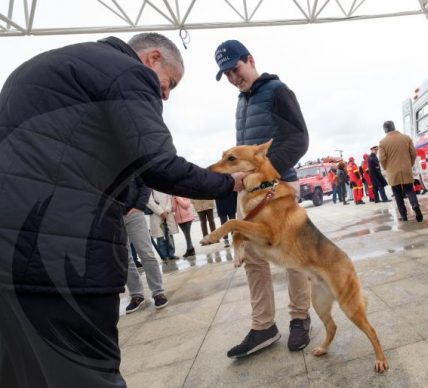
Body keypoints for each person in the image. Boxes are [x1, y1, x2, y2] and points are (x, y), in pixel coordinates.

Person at [0, 33, 247, 387]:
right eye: (170, 83)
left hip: (10, 260)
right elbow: (158, 162)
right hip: (60, 258)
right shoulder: (126, 72)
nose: (165, 94)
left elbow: (79, 168)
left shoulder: (47, 69)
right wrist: (228, 183)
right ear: (153, 59)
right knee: (88, 372)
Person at [215, 39, 311, 358]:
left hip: (280, 186)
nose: (232, 77)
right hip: (251, 193)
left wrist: (263, 174)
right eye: (226, 74)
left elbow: (299, 139)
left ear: (250, 60)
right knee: (254, 259)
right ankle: (263, 326)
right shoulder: (241, 102)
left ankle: (300, 317)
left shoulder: (277, 91)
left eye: (235, 69)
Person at [123, 177, 168, 314]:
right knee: (124, 257)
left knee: (146, 252)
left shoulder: (129, 159)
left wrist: (138, 206)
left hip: (134, 212)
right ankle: (136, 294)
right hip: (112, 215)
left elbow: (145, 184)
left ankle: (158, 292)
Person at [378, 120, 423, 222]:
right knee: (410, 190)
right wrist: (409, 164)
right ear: (394, 127)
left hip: (392, 171)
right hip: (406, 168)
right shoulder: (406, 138)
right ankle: (415, 205)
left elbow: (381, 159)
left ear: (385, 130)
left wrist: (386, 168)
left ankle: (404, 216)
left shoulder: (382, 142)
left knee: (397, 194)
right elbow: (413, 153)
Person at [148, 190, 179, 261]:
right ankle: (164, 256)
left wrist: (167, 211)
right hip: (156, 215)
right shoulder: (149, 189)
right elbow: (150, 202)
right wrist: (161, 212)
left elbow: (169, 200)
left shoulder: (164, 186)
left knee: (169, 235)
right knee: (160, 237)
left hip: (167, 214)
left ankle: (171, 254)